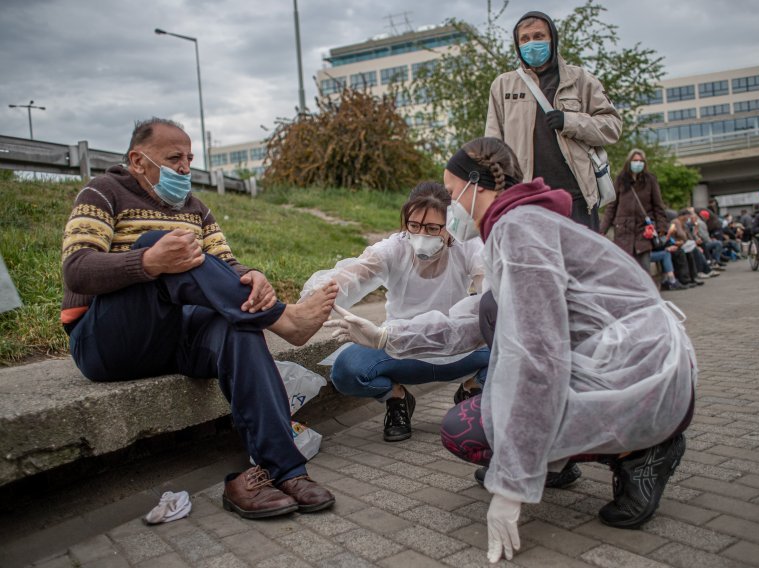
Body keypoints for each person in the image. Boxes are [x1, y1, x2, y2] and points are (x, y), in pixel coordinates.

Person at [325, 137, 695, 563]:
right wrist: (385, 337)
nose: (449, 208)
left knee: (465, 427)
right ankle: (561, 459)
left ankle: (642, 452)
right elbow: (474, 319)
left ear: (474, 187)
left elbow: (540, 361)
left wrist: (513, 485)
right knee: (489, 317)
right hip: (638, 371)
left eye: (451, 192)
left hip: (648, 387)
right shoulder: (518, 226)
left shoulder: (519, 233)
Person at [61, 117, 339, 519]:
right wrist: (148, 261)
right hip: (107, 342)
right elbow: (78, 268)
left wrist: (251, 276)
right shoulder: (103, 192)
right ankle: (283, 320)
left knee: (237, 325)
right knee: (160, 244)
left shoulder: (196, 209)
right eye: (174, 158)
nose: (186, 168)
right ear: (139, 161)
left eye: (190, 158)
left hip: (174, 339)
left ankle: (284, 470)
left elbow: (227, 268)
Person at [301, 182, 489, 442]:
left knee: (514, 350)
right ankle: (397, 398)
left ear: (450, 227)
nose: (422, 235)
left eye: (433, 228)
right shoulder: (392, 249)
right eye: (414, 226)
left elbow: (491, 294)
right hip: (401, 350)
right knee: (346, 371)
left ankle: (472, 389)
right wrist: (307, 305)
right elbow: (347, 278)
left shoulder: (468, 247)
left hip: (457, 350)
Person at [485, 10, 622, 231]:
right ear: (517, 45)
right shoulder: (502, 86)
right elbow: (492, 145)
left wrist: (571, 121)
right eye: (525, 39)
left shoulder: (580, 80)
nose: (532, 44)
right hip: (526, 199)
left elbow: (612, 127)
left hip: (576, 198)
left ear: (553, 39)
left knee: (581, 264)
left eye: (539, 37)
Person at [600, 148, 668, 272]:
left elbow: (658, 207)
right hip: (623, 231)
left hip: (644, 231)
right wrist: (602, 229)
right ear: (629, 162)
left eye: (641, 161)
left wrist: (661, 229)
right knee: (626, 271)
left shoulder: (650, 180)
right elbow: (611, 207)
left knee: (644, 270)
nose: (638, 163)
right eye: (635, 160)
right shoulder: (620, 180)